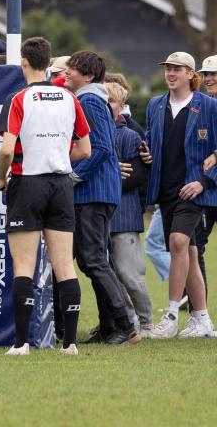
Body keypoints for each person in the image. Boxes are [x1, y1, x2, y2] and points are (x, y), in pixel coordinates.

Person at [0, 37, 91, 356]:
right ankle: (71, 343)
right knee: (64, 264)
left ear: (24, 62)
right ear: (49, 62)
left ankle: (21, 343)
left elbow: (7, 148)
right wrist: (58, 156)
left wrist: (1, 176)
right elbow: (85, 149)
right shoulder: (69, 97)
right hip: (61, 185)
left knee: (24, 264)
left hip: (28, 182)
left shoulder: (19, 97)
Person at [63, 51, 136, 344]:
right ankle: (109, 327)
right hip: (99, 191)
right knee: (94, 260)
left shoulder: (90, 100)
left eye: (73, 69)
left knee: (94, 260)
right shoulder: (91, 99)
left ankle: (124, 325)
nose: (66, 72)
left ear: (89, 76)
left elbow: (103, 147)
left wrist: (75, 176)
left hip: (93, 192)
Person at [143, 52, 216, 339]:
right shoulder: (155, 104)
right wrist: (145, 152)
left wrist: (203, 182)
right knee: (191, 251)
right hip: (165, 189)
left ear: (190, 74)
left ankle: (172, 315)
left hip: (193, 190)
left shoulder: (209, 106)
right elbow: (151, 140)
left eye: (177, 69)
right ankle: (202, 319)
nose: (171, 73)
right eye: (168, 69)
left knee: (177, 242)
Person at [105, 81, 153, 335]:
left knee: (129, 274)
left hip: (124, 215)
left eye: (111, 100)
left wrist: (105, 175)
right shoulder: (90, 134)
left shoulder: (131, 135)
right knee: (109, 276)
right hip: (99, 216)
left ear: (122, 106)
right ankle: (128, 321)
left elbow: (136, 177)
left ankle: (146, 321)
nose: (106, 105)